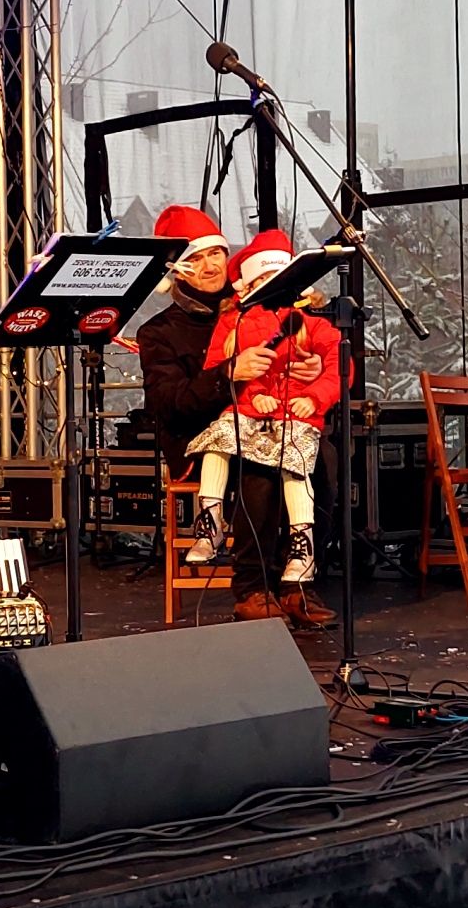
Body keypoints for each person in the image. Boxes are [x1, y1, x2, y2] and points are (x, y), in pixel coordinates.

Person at [132, 204, 327, 632]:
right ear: (177, 271)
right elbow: (168, 403)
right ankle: (252, 589)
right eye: (196, 258)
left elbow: (306, 348)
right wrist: (228, 373)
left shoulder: (259, 305)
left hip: (269, 419)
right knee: (258, 463)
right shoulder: (159, 332)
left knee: (318, 451)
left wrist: (310, 366)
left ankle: (297, 582)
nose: (209, 266)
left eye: (215, 254)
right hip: (200, 436)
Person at [186, 228, 341, 596]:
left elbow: (339, 366)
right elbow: (219, 368)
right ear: (250, 285)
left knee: (296, 461)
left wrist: (315, 396)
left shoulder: (309, 321)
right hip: (248, 415)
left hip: (295, 416)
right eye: (263, 280)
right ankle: (210, 521)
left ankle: (302, 547)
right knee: (220, 440)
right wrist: (253, 393)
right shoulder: (235, 322)